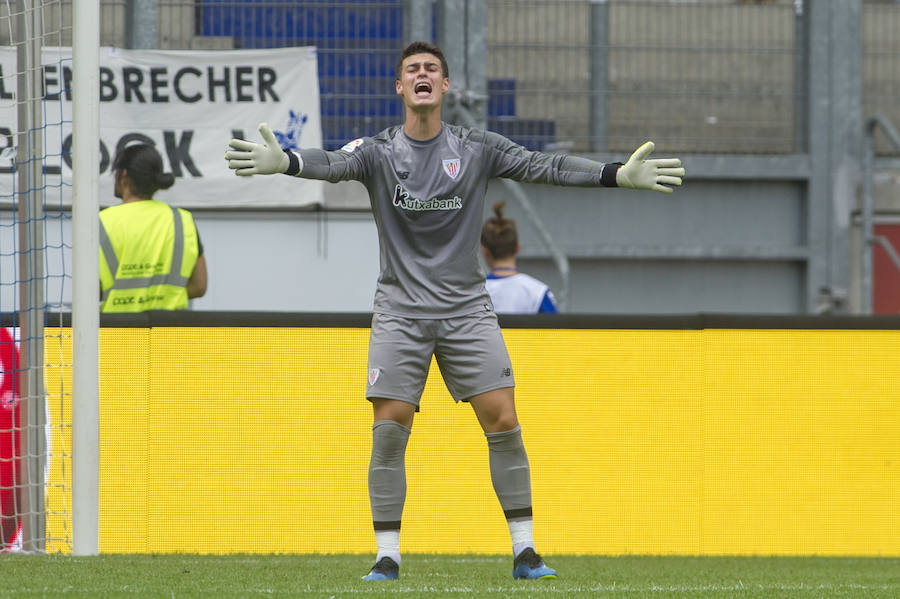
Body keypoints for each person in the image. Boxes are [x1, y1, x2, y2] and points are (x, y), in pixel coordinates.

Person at [225, 40, 683, 581]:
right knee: (389, 427)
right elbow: (335, 163)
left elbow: (544, 164)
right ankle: (387, 557)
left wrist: (613, 174)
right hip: (399, 309)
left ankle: (526, 552)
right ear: (400, 88)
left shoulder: (476, 147)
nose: (422, 75)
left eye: (432, 70)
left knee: (504, 420)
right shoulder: (377, 151)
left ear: (444, 88)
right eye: (412, 70)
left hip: (467, 308)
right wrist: (288, 161)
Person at [100, 143, 207, 313]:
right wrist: (165, 296)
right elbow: (199, 286)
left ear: (123, 175)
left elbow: (88, 289)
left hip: (118, 332)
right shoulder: (182, 220)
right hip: (169, 332)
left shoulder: (101, 222)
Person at [481, 201, 558, 314]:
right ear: (517, 247)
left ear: (485, 251)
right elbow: (556, 330)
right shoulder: (538, 292)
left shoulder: (474, 293)